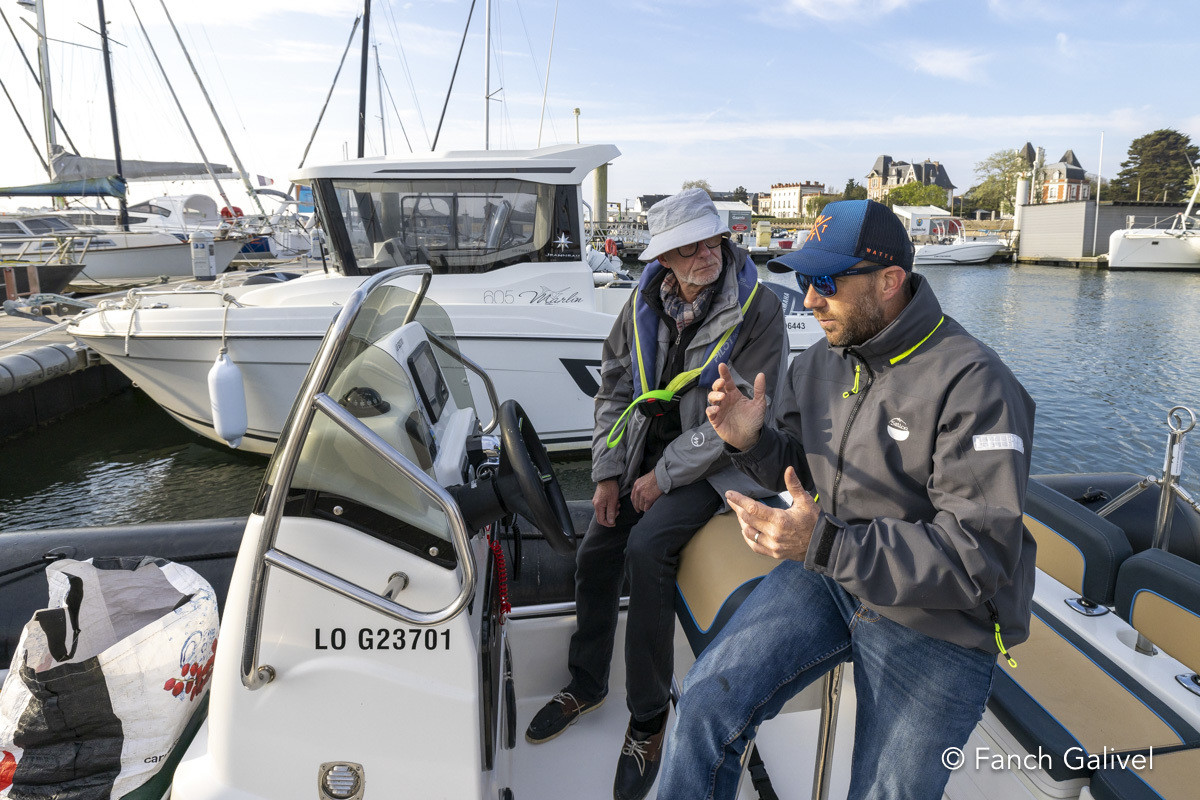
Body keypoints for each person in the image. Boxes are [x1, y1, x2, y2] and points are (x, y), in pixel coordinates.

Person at [658, 198, 1037, 800]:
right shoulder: (821, 363)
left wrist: (825, 544)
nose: (809, 300)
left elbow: (979, 557)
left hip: (938, 620)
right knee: (704, 702)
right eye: (804, 280)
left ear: (890, 281)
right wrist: (751, 441)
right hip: (832, 572)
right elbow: (801, 470)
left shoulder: (976, 384)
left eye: (827, 282)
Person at [524, 188, 787, 800]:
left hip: (720, 462)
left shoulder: (759, 309)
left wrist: (661, 476)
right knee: (596, 551)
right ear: (663, 258)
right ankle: (587, 683)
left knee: (647, 549)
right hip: (646, 450)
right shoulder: (641, 301)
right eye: (689, 247)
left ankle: (647, 720)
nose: (707, 254)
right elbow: (615, 389)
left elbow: (738, 421)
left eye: (712, 240)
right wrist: (608, 472)